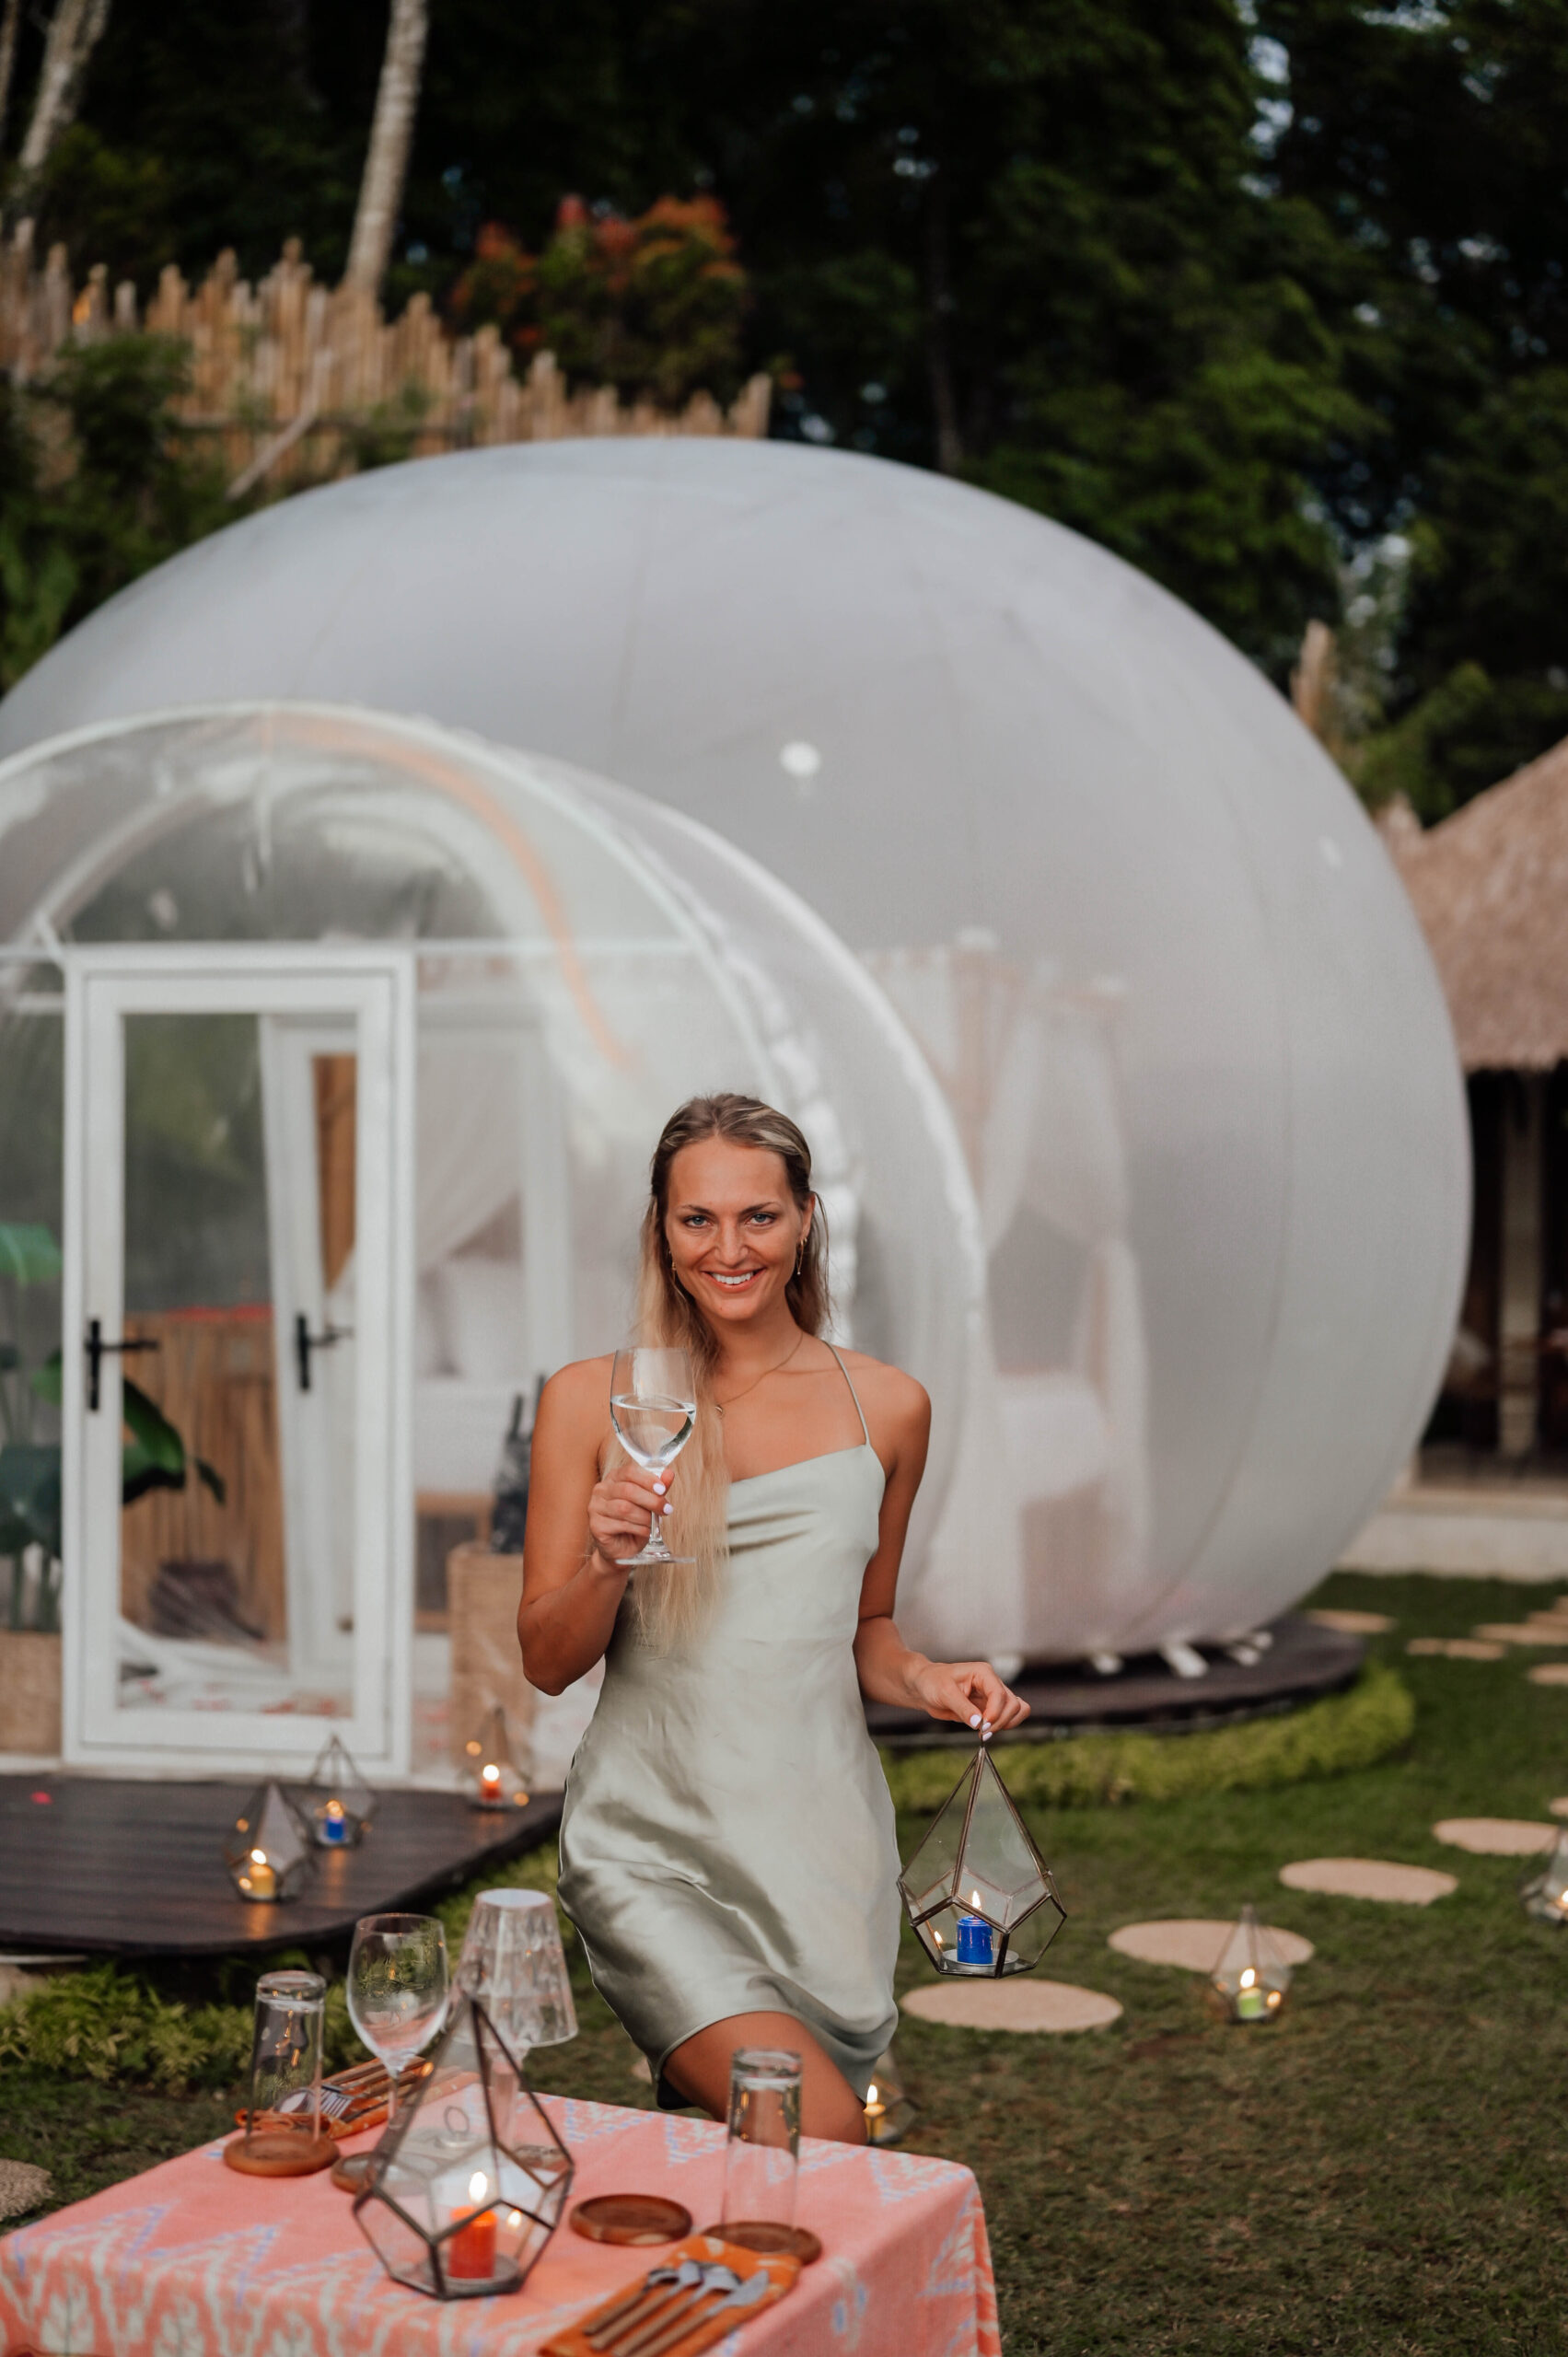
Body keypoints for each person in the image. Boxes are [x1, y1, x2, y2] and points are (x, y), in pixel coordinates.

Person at [519, 1093, 1028, 2143]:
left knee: (758, 2169)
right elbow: (545, 1659)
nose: (728, 1248)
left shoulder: (888, 1407)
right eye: (696, 1218)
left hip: (819, 1854)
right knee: (818, 2132)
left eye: (757, 1215)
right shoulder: (591, 1402)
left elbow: (867, 1628)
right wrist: (608, 1561)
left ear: (804, 1218)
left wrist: (928, 1677)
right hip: (650, 1841)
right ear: (661, 1230)